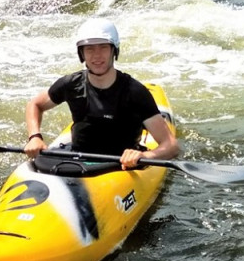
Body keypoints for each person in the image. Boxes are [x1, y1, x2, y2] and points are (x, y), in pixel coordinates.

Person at [24, 18, 179, 170]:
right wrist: (35, 137)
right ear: (82, 53)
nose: (97, 55)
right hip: (79, 159)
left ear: (114, 50)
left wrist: (145, 157)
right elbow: (35, 104)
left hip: (121, 165)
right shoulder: (70, 84)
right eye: (90, 49)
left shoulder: (134, 92)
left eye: (103, 47)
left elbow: (171, 146)